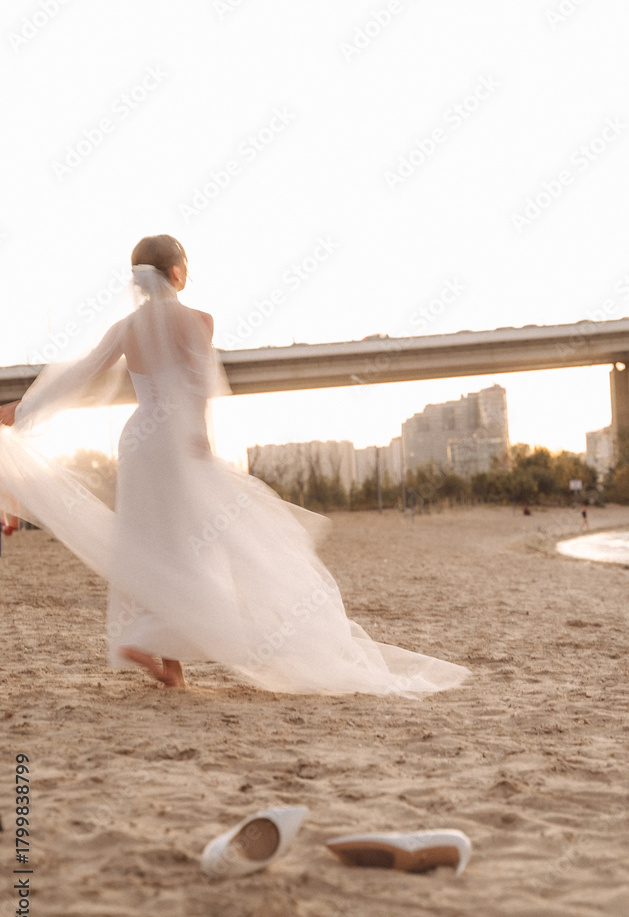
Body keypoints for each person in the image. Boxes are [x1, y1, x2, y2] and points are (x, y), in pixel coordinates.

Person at [0, 235, 470, 697]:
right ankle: (168, 646)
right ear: (177, 274)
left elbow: (81, 372)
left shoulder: (126, 328)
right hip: (178, 441)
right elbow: (198, 385)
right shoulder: (199, 321)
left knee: (149, 542)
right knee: (196, 544)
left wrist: (22, 408)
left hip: (140, 442)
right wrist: (199, 435)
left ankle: (164, 658)